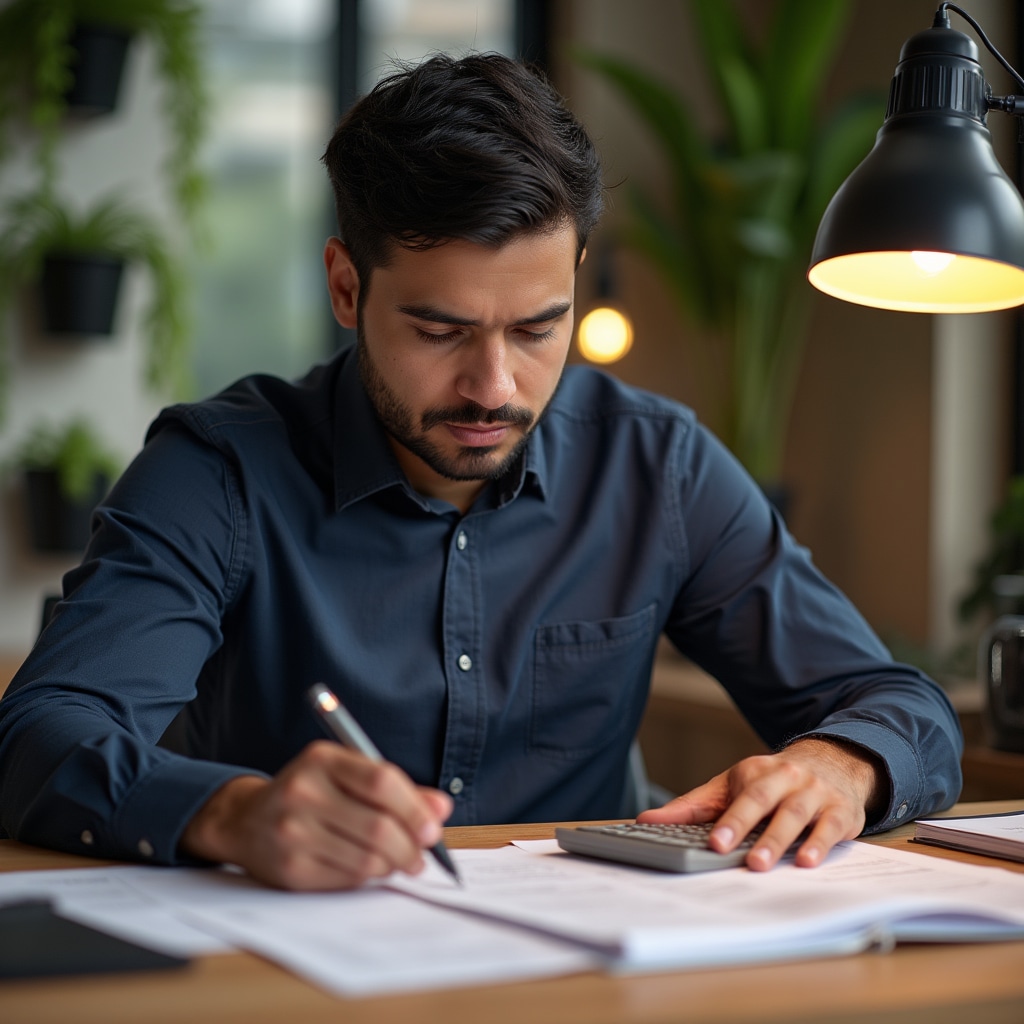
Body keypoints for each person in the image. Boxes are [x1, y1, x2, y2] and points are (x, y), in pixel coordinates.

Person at [0, 54, 962, 891]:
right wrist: (231, 813)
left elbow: (901, 705)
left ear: (578, 278)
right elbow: (39, 733)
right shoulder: (217, 471)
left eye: (539, 328)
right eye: (439, 330)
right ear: (346, 285)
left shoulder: (656, 466)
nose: (493, 386)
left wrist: (845, 763)